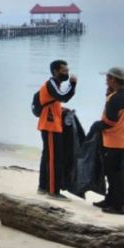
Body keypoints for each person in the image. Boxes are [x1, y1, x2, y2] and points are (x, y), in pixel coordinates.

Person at [90, 67, 124, 214]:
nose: (106, 80)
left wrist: (95, 126)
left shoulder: (115, 98)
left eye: (108, 78)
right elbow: (121, 115)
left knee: (115, 174)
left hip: (115, 141)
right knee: (117, 173)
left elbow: (110, 122)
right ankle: (110, 200)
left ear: (113, 80)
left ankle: (120, 205)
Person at [36, 60, 77, 200]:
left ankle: (42, 186)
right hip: (50, 125)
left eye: (67, 70)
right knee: (54, 158)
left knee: (48, 156)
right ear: (55, 71)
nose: (67, 73)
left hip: (52, 125)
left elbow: (58, 100)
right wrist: (72, 84)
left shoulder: (55, 84)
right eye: (64, 70)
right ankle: (53, 191)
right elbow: (63, 96)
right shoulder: (52, 83)